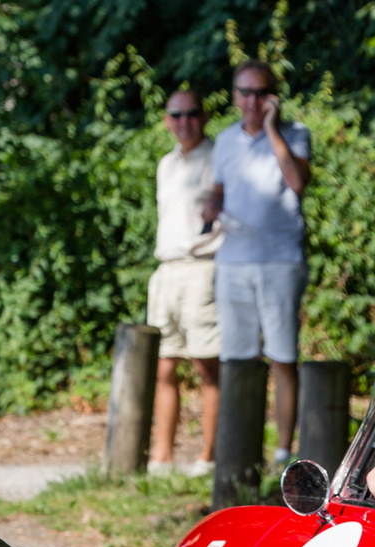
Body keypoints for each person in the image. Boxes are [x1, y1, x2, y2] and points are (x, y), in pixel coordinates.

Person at [205, 59, 312, 468]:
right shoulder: (224, 140)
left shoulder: (295, 134)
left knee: (283, 358)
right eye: (244, 92)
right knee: (238, 359)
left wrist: (271, 130)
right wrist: (211, 204)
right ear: (234, 96)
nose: (251, 100)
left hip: (280, 261)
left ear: (273, 96)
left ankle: (284, 453)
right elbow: (219, 187)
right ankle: (240, 452)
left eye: (259, 92)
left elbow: (298, 182)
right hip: (232, 261)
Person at [146, 87, 221, 477]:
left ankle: (208, 456)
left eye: (191, 113)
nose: (184, 121)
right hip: (166, 269)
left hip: (202, 266)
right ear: (166, 120)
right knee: (163, 364)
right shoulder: (166, 164)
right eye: (176, 115)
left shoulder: (218, 157)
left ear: (204, 116)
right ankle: (161, 456)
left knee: (206, 363)